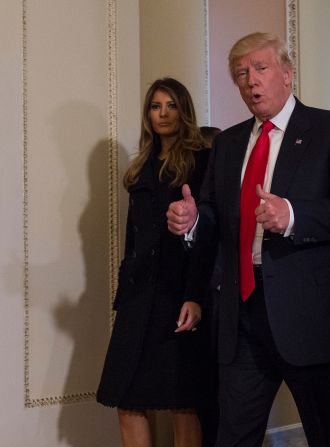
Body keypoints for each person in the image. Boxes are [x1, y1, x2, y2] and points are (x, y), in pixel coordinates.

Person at [167, 32, 330, 446]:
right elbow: (212, 215)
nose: (250, 81)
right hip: (241, 313)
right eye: (241, 74)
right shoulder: (227, 143)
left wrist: (294, 215)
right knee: (232, 436)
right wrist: (191, 221)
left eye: (260, 69)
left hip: (312, 317)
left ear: (287, 74)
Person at [97, 78, 215, 447]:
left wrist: (195, 295)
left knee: (183, 400)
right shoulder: (141, 167)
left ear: (184, 111)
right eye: (155, 106)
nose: (163, 114)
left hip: (177, 292)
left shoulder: (201, 160)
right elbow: (133, 239)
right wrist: (124, 296)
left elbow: (208, 235)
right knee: (127, 398)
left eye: (171, 105)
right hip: (138, 297)